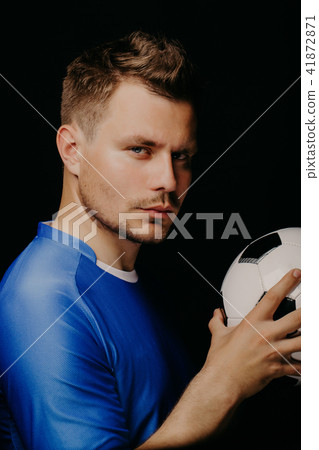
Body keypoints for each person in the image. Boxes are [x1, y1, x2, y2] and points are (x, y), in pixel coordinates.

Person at [0, 31, 301, 449]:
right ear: (72, 150)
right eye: (141, 149)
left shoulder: (133, 278)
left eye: (182, 156)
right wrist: (223, 384)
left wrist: (239, 373)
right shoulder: (42, 298)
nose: (169, 181)